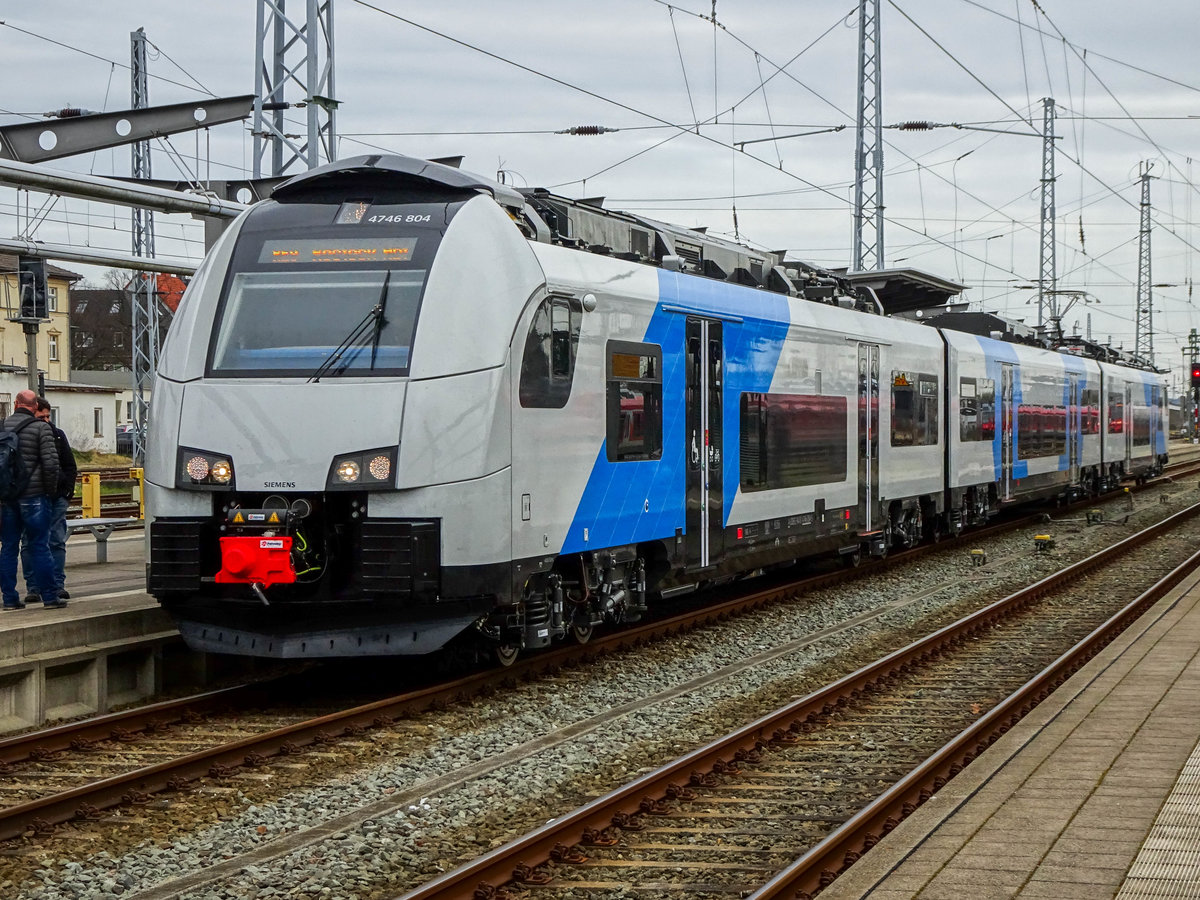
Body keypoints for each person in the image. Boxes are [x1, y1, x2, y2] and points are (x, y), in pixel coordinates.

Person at [1, 389, 62, 610]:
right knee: (40, 546)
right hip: (35, 497)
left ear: (16, 404)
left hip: (8, 498)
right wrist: (49, 491)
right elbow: (51, 464)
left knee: (8, 547)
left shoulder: (2, 427)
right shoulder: (41, 428)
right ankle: (50, 597)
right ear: (35, 407)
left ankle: (9, 599)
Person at [21, 398, 76, 603]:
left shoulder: (58, 436)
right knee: (29, 542)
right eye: (41, 416)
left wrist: (66, 491)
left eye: (47, 416)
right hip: (32, 497)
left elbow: (70, 465)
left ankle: (57, 585)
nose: (45, 420)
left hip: (56, 497)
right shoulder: (26, 434)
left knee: (56, 540)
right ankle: (33, 587)